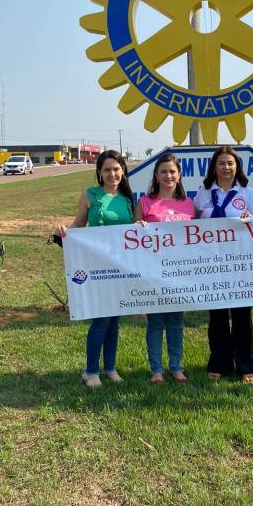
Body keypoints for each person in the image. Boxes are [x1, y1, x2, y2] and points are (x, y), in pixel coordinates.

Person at [55, 150, 134, 388]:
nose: (112, 174)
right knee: (101, 320)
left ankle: (110, 368)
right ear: (99, 172)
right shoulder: (90, 194)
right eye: (107, 169)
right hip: (96, 267)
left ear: (123, 171)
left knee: (114, 320)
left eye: (116, 169)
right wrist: (64, 232)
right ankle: (90, 371)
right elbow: (79, 223)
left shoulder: (127, 198)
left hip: (119, 266)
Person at [194, 145, 253, 383]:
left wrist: (251, 219)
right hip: (211, 261)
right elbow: (194, 223)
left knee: (242, 315)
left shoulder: (248, 194)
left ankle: (246, 365)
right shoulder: (203, 193)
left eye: (230, 163)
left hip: (240, 261)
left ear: (237, 167)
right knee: (217, 316)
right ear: (214, 167)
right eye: (221, 163)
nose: (226, 167)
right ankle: (220, 363)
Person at [134, 154, 195, 385]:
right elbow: (132, 238)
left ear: (179, 175)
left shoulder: (189, 204)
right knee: (156, 322)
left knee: (176, 321)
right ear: (156, 176)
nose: (168, 176)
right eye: (163, 172)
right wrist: (138, 227)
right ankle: (156, 370)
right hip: (153, 271)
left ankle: (176, 367)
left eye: (172, 171)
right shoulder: (144, 203)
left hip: (181, 271)